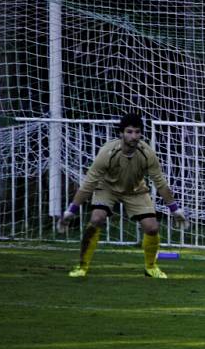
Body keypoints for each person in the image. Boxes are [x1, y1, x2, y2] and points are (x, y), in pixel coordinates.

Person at [56, 111, 188, 278]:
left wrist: (175, 210)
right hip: (107, 188)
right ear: (121, 133)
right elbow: (89, 183)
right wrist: (71, 211)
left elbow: (160, 183)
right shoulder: (107, 152)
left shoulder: (147, 153)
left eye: (137, 132)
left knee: (152, 227)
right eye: (129, 132)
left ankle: (151, 267)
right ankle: (82, 266)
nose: (134, 136)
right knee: (96, 219)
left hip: (135, 190)